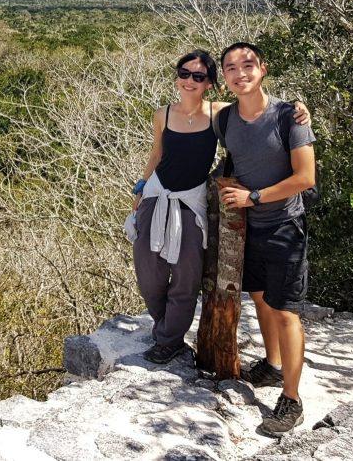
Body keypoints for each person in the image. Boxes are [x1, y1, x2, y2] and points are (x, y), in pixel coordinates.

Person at [128, 50, 310, 365]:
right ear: (177, 76)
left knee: (186, 274)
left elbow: (256, 106)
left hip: (192, 198)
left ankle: (168, 341)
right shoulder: (163, 114)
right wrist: (141, 187)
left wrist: (300, 107)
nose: (189, 81)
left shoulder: (218, 114)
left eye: (199, 76)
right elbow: (156, 154)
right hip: (157, 194)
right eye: (184, 73)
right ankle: (164, 327)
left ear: (211, 83)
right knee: (148, 272)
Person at [216, 41, 316, 438]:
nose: (240, 73)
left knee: (286, 310)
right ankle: (273, 366)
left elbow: (305, 177)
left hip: (283, 225)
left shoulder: (289, 116)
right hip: (247, 229)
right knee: (259, 297)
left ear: (263, 69)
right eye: (230, 68)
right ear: (224, 78)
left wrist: (253, 197)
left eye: (247, 65)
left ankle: (291, 399)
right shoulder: (224, 119)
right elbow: (187, 113)